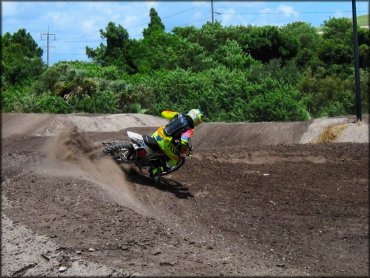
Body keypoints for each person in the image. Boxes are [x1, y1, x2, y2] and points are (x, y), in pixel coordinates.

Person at [149, 109, 203, 179]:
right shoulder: (189, 129)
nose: (198, 123)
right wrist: (185, 148)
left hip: (157, 134)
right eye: (198, 121)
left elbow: (163, 113)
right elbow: (183, 140)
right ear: (195, 119)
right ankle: (155, 172)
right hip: (165, 142)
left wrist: (171, 113)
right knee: (176, 159)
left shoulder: (178, 114)